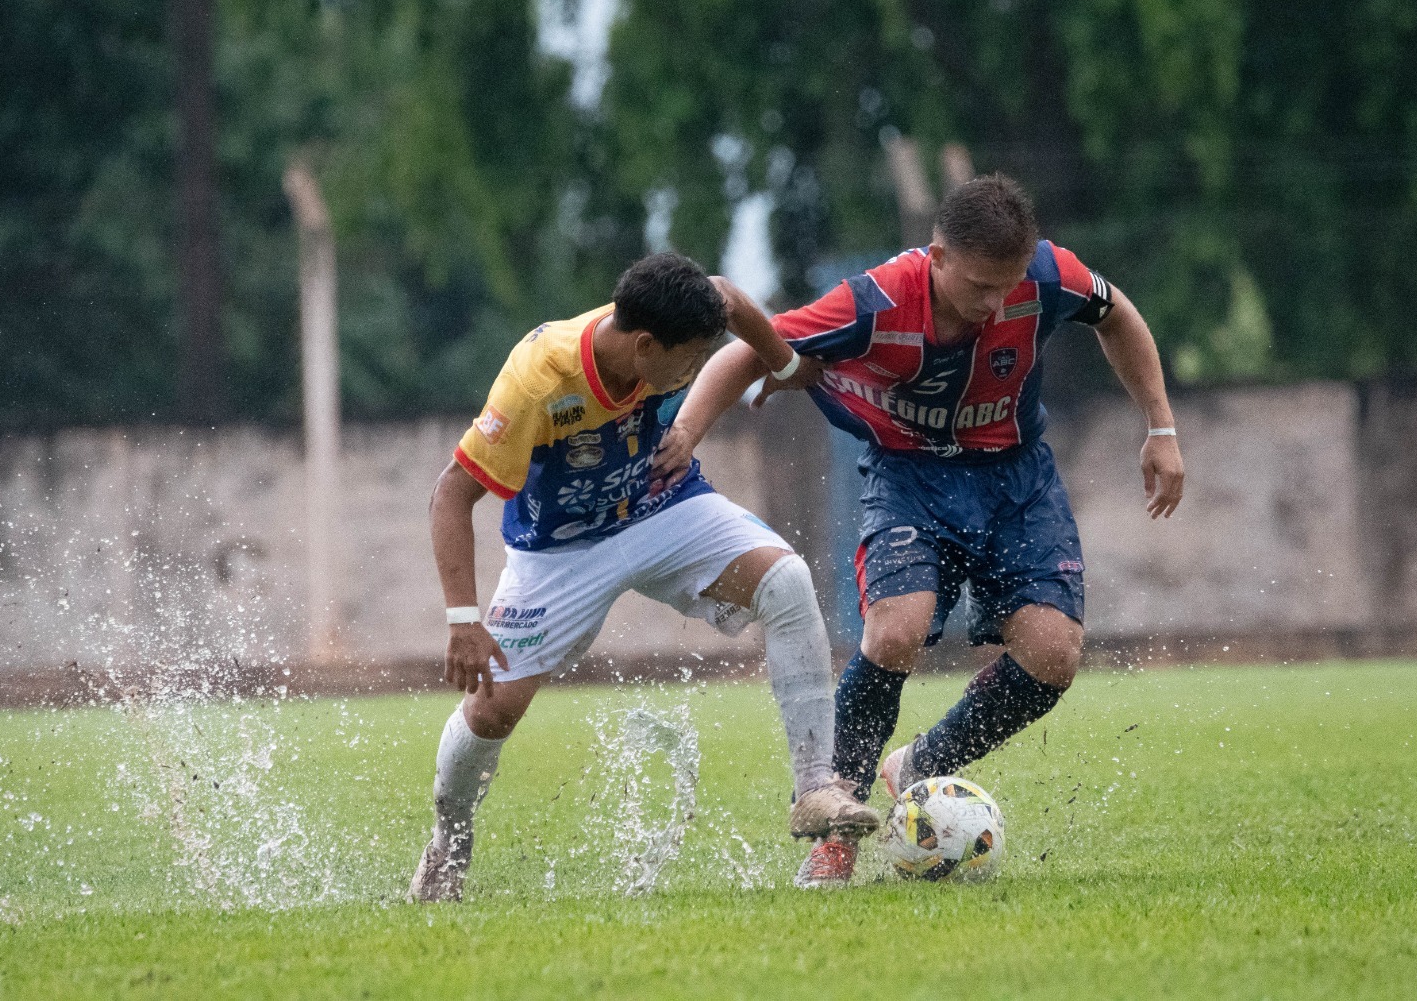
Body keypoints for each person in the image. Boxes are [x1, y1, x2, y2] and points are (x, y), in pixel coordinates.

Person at [656, 173, 1185, 886]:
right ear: (936, 257)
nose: (994, 303)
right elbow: (750, 346)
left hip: (1017, 480)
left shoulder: (1052, 276)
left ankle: (920, 765)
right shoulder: (875, 301)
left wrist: (1160, 425)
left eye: (1007, 285)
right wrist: (687, 431)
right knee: (894, 633)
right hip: (910, 478)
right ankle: (836, 822)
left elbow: (1117, 313)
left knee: (1055, 655)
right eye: (976, 286)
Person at [408, 252, 880, 902]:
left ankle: (815, 787)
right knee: (491, 713)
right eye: (687, 361)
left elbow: (732, 301)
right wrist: (463, 622)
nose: (693, 372)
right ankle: (448, 847)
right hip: (560, 552)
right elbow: (450, 495)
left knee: (787, 581)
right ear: (644, 345)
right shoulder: (539, 379)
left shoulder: (682, 313)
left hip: (662, 505)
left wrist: (786, 365)